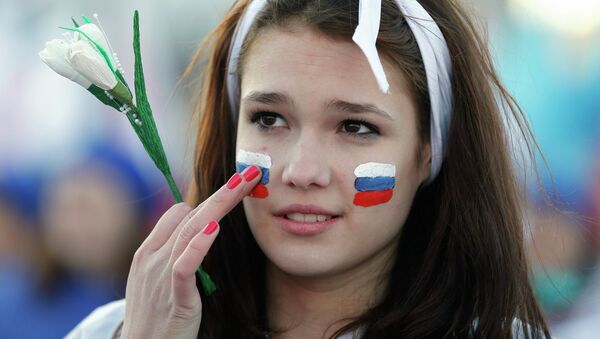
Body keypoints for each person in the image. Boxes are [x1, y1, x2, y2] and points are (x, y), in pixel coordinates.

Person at [66, 0, 553, 338]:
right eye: (269, 119)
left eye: (355, 127)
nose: (301, 171)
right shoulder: (112, 332)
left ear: (427, 152)